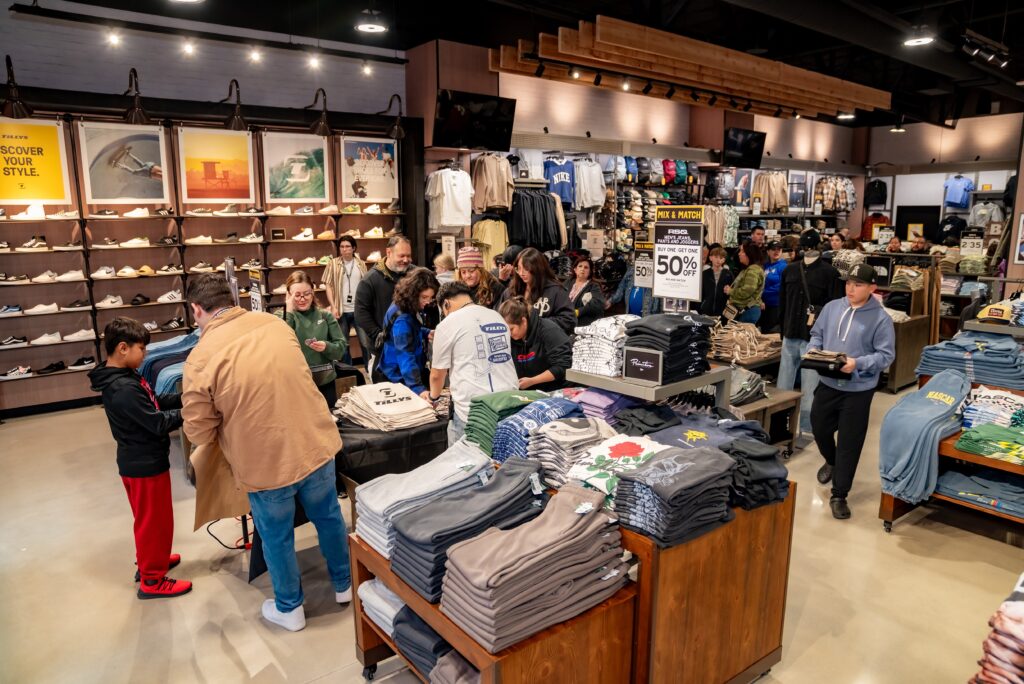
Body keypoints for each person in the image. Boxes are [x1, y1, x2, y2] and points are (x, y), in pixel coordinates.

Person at [181, 274, 350, 632]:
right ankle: (345, 584)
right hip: (314, 440)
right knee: (329, 516)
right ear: (231, 297)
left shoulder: (200, 357)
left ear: (197, 309)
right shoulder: (275, 324)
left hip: (264, 457)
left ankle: (291, 607)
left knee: (276, 534)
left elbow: (197, 430)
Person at [89, 317, 190, 600]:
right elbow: (157, 422)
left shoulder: (125, 377)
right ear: (123, 348)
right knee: (152, 521)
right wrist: (193, 413)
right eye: (141, 349)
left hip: (141, 461)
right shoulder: (122, 389)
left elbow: (155, 402)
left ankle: (151, 560)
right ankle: (152, 580)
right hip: (143, 464)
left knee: (152, 519)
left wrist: (186, 398)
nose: (145, 354)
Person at [808, 263, 895, 520]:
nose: (851, 288)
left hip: (858, 389)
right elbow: (816, 334)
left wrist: (859, 363)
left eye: (857, 284)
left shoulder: (881, 319)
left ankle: (839, 494)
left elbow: (886, 356)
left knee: (849, 442)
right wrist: (814, 350)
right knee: (819, 427)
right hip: (827, 382)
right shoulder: (833, 307)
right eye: (848, 283)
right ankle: (831, 461)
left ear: (872, 287)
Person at [427, 282, 519, 445]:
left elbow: (437, 375)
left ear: (446, 303)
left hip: (473, 410)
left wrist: (433, 398)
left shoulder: (447, 324)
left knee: (465, 464)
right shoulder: (496, 315)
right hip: (509, 401)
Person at [778, 230, 843, 435]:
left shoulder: (829, 273)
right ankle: (780, 422)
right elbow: (783, 303)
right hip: (789, 333)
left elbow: (834, 309)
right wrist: (782, 330)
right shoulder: (789, 271)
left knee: (810, 385)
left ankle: (807, 426)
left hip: (814, 338)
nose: (807, 249)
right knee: (784, 384)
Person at [278, 271, 347, 408]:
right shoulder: (280, 317)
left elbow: (340, 349)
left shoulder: (325, 316)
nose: (302, 299)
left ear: (313, 292)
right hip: (296, 385)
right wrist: (290, 311)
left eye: (307, 294)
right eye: (297, 295)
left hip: (325, 382)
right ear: (288, 295)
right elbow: (281, 343)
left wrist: (327, 347)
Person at [377, 267, 439, 396]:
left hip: (400, 371)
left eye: (430, 297)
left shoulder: (403, 304)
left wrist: (426, 332)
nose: (427, 302)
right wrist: (418, 388)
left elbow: (411, 330)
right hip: (398, 377)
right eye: (424, 297)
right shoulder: (402, 320)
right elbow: (405, 354)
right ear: (413, 294)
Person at [354, 235, 412, 370]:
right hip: (382, 352)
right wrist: (380, 335)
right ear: (388, 253)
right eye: (401, 255)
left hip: (410, 347)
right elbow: (361, 314)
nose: (406, 260)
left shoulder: (414, 275)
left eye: (408, 256)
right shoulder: (370, 280)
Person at [499, 296, 572, 392]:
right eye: (505, 330)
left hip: (555, 390)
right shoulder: (509, 337)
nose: (508, 334)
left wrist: (533, 381)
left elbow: (563, 367)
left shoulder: (549, 330)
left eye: (511, 329)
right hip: (527, 392)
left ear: (523, 321)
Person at [501, 247, 576, 334]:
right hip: (516, 345)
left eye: (526, 268)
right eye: (518, 268)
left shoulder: (556, 290)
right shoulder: (510, 291)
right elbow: (500, 317)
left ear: (537, 268)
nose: (521, 273)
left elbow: (569, 320)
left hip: (545, 343)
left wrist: (536, 324)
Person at [322, 235, 366, 364]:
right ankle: (349, 372)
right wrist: (333, 306)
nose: (344, 249)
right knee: (343, 344)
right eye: (341, 247)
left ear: (353, 248)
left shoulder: (360, 264)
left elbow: (365, 286)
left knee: (365, 342)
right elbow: (328, 286)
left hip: (359, 309)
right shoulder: (333, 263)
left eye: (347, 246)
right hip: (341, 310)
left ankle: (370, 371)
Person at [725, 241, 765, 324]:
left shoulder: (753, 270)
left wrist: (731, 291)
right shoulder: (749, 269)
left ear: (749, 253)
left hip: (747, 311)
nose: (739, 254)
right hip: (746, 311)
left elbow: (748, 290)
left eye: (742, 251)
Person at [566, 256, 606, 327]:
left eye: (586, 267)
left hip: (583, 323)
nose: (582, 269)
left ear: (590, 271)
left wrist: (579, 312)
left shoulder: (594, 286)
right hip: (566, 320)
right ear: (575, 269)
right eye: (580, 266)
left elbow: (597, 304)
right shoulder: (568, 282)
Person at [760, 240, 787, 333]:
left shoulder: (783, 266)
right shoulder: (765, 266)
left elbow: (781, 286)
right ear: (768, 251)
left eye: (779, 249)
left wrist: (763, 292)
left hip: (776, 305)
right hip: (764, 305)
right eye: (773, 249)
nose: (776, 251)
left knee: (772, 333)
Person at [699, 246, 733, 317]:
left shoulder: (728, 274)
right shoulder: (704, 274)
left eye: (721, 258)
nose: (718, 260)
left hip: (722, 310)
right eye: (716, 257)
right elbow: (701, 292)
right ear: (711, 258)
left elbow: (732, 290)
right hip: (706, 309)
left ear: (724, 260)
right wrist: (700, 307)